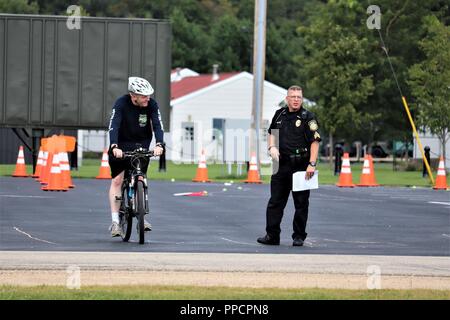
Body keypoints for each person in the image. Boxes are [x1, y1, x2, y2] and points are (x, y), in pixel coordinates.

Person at [257, 85, 321, 246]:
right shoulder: (280, 114)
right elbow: (272, 133)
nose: (296, 100)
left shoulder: (308, 117)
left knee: (301, 203)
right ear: (287, 99)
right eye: (293, 97)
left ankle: (298, 236)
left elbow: (315, 142)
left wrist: (312, 164)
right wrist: (271, 147)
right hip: (280, 164)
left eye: (299, 97)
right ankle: (272, 236)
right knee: (275, 202)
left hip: (301, 165)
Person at [107, 76, 164, 237]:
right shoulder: (121, 103)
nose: (148, 98)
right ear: (133, 96)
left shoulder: (151, 105)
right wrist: (114, 146)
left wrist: (159, 144)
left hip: (141, 144)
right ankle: (115, 222)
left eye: (148, 95)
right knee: (117, 180)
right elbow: (114, 125)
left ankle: (141, 216)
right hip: (121, 145)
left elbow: (158, 125)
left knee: (140, 178)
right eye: (144, 96)